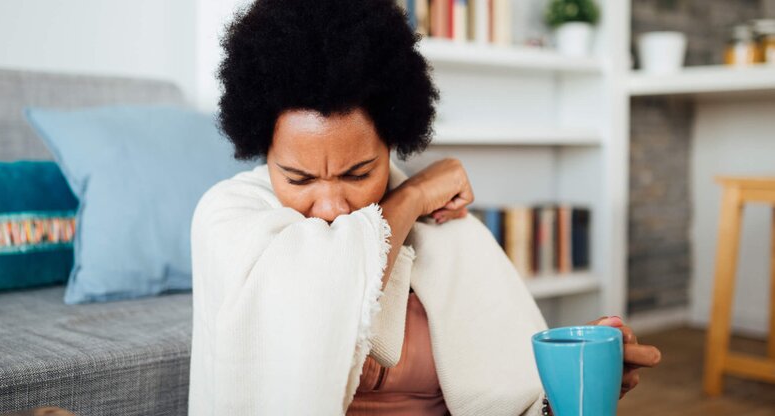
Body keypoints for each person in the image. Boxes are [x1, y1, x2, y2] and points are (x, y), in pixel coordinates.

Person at [188, 0, 661, 415]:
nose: (332, 207)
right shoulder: (226, 215)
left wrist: (567, 390)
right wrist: (411, 196)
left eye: (357, 174)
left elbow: (515, 395)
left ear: (394, 141)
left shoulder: (443, 226)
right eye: (299, 178)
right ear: (262, 149)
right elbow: (313, 303)